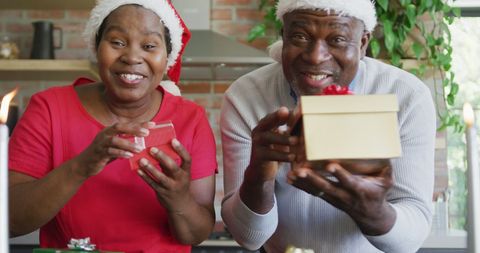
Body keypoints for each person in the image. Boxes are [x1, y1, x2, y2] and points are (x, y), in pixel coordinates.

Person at [220, 0, 436, 252]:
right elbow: (250, 238)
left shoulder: (405, 96)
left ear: (363, 43)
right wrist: (257, 176)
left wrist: (373, 211)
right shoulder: (246, 96)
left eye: (338, 39)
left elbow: (412, 237)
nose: (315, 56)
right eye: (300, 36)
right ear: (284, 37)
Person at [8, 0, 217, 252]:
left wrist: (178, 198)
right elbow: (12, 221)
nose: (131, 57)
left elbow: (196, 235)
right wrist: (82, 166)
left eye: (149, 46)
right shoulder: (50, 108)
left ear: (167, 58)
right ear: (97, 46)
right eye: (117, 42)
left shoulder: (191, 119)